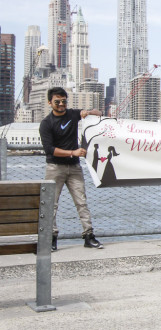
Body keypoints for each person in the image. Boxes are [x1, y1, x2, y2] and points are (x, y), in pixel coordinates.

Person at [38, 87, 104, 251]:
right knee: (51, 205)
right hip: (54, 168)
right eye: (57, 101)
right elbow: (49, 149)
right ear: (50, 103)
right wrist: (72, 152)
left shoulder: (73, 114)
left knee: (81, 202)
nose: (61, 104)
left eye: (64, 101)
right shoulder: (46, 123)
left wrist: (87, 112)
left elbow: (99, 113)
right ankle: (51, 238)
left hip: (74, 168)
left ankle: (88, 236)